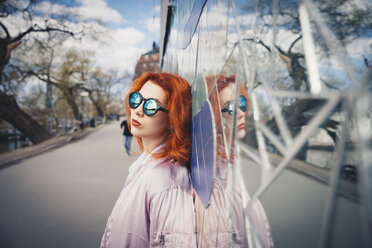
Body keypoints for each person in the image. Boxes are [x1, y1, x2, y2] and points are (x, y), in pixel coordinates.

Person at [100, 72, 196, 247]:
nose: (137, 110)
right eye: (136, 99)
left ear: (173, 119)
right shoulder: (146, 166)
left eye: (151, 106)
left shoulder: (166, 183)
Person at [193, 75, 273, 247]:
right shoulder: (214, 180)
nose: (242, 113)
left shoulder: (229, 167)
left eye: (242, 104)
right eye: (230, 108)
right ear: (211, 116)